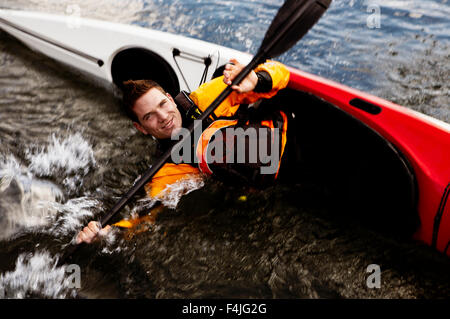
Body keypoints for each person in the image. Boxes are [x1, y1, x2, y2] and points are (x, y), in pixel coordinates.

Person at [76, 58, 291, 244]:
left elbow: (280, 71)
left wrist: (256, 80)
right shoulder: (167, 167)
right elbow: (144, 218)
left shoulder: (208, 98)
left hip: (293, 135)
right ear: (140, 128)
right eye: (149, 116)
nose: (163, 116)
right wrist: (107, 232)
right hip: (281, 184)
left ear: (170, 98)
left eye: (162, 104)